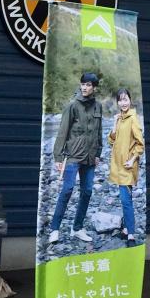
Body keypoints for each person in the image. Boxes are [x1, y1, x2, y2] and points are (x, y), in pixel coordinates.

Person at [48, 71, 103, 245]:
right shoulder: (72, 105)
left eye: (88, 85)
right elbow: (62, 132)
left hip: (90, 157)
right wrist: (58, 157)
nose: (85, 87)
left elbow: (99, 131)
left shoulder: (98, 106)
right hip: (73, 156)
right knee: (67, 190)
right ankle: (54, 230)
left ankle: (77, 228)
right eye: (83, 84)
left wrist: (98, 154)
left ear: (94, 88)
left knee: (87, 191)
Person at [108, 87, 144, 246]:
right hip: (118, 165)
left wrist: (133, 159)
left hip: (128, 165)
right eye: (120, 100)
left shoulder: (133, 118)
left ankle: (131, 235)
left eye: (125, 99)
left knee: (126, 200)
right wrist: (115, 123)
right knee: (125, 199)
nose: (123, 103)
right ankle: (126, 230)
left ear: (130, 100)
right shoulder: (120, 118)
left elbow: (140, 144)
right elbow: (111, 140)